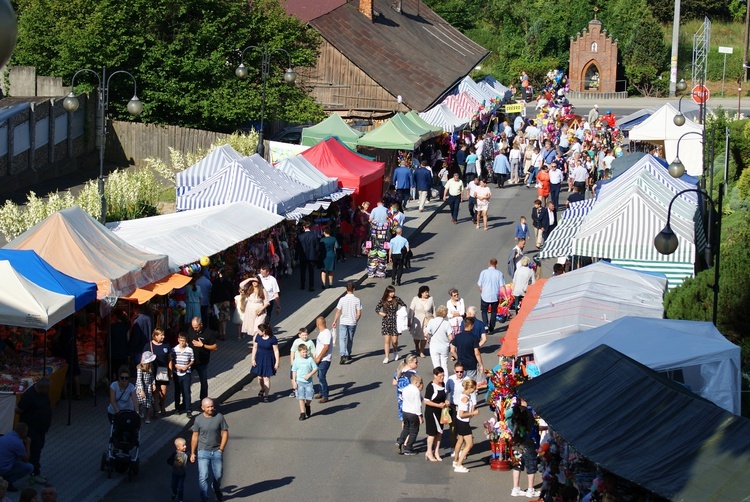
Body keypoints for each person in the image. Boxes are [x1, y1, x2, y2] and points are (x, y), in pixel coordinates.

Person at [190, 398, 228, 502]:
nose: (211, 408)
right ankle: (204, 498)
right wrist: (193, 453)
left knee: (218, 475)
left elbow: (225, 432)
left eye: (212, 406)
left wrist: (221, 449)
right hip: (203, 451)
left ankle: (216, 488)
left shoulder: (219, 417)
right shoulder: (198, 419)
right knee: (203, 476)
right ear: (202, 408)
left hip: (216, 451)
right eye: (208, 407)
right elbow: (195, 436)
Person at [15, 378, 51, 484]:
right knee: (34, 450)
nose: (49, 390)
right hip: (31, 428)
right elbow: (18, 409)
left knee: (38, 448)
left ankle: (35, 470)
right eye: (47, 388)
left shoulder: (43, 393)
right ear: (41, 387)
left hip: (41, 428)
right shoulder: (29, 396)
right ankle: (34, 473)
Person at [507, 397, 541, 498]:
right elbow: (533, 428)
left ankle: (515, 488)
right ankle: (530, 489)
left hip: (516, 442)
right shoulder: (528, 413)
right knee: (531, 464)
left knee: (517, 463)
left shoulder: (512, 413)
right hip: (527, 441)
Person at [188, 318, 218, 401]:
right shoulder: (190, 330)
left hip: (202, 362)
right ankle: (186, 401)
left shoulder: (208, 333)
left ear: (201, 325)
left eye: (196, 327)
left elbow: (215, 347)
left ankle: (203, 400)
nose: (195, 329)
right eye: (193, 327)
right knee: (187, 382)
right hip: (191, 361)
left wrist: (203, 345)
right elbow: (187, 341)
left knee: (203, 382)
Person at [452, 378, 479, 473]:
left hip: (459, 422)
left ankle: (455, 460)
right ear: (470, 388)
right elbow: (461, 414)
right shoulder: (465, 398)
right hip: (463, 423)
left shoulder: (463, 394)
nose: (475, 390)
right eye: (474, 388)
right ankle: (459, 464)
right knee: (469, 444)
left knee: (460, 440)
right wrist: (473, 413)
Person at [332, 282, 362, 365]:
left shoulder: (342, 299)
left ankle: (342, 355)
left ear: (346, 289)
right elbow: (359, 313)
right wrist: (356, 320)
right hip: (352, 322)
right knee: (350, 338)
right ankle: (348, 354)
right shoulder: (357, 300)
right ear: (354, 289)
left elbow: (338, 311)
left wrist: (335, 321)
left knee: (342, 338)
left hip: (343, 322)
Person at [376, 285, 407, 364]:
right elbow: (377, 309)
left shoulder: (396, 299)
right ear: (387, 292)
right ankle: (386, 357)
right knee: (387, 340)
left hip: (395, 321)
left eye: (393, 292)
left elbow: (404, 305)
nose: (393, 293)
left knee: (394, 341)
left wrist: (399, 312)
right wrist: (381, 313)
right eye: (391, 292)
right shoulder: (383, 300)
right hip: (386, 321)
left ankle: (395, 351)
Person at [423, 367, 448, 461]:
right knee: (432, 433)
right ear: (435, 376)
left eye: (443, 375)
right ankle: (429, 451)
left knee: (439, 433)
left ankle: (436, 452)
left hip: (440, 412)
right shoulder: (431, 387)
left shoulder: (443, 384)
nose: (442, 377)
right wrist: (438, 405)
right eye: (440, 375)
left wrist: (445, 401)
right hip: (431, 412)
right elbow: (426, 401)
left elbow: (442, 397)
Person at [250, 323, 279, 402]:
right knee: (260, 378)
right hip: (259, 358)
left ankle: (266, 395)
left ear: (264, 331)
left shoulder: (272, 339)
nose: (257, 331)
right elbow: (255, 348)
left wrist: (277, 362)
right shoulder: (258, 337)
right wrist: (253, 359)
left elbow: (276, 351)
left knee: (266, 378)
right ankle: (262, 388)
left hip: (268, 359)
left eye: (259, 330)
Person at [395, 375, 423, 456]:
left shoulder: (405, 389)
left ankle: (400, 441)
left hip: (405, 412)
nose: (420, 384)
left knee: (406, 428)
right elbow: (418, 404)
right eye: (419, 383)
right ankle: (408, 448)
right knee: (414, 431)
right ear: (416, 382)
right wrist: (420, 416)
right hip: (413, 413)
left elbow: (403, 399)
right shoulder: (416, 391)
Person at [145, 328, 171, 417]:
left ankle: (162, 404)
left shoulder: (166, 345)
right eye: (161, 335)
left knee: (163, 392)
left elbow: (169, 359)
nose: (163, 337)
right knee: (155, 392)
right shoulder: (149, 345)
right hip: (153, 371)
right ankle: (156, 410)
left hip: (163, 371)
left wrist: (170, 371)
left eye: (163, 335)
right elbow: (144, 359)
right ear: (155, 335)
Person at [0, 423, 33, 491]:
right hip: (2, 468)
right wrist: (28, 444)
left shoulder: (8, 435)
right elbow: (26, 459)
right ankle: (7, 481)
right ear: (23, 433)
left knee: (16, 459)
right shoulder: (17, 442)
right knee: (29, 467)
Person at [477, 259, 505, 334]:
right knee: (493, 311)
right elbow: (502, 286)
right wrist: (505, 296)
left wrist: (482, 291)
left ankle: (485, 325)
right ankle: (492, 327)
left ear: (489, 263)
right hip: (494, 296)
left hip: (485, 295)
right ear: (496, 264)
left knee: (484, 311)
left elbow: (479, 284)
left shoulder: (483, 272)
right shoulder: (499, 273)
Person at [291, 344, 318, 421]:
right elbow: (294, 371)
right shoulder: (297, 360)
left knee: (309, 397)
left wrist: (309, 374)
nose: (305, 354)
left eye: (306, 352)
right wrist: (294, 381)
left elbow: (315, 368)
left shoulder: (309, 359)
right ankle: (302, 413)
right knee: (301, 397)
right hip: (300, 381)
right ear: (299, 352)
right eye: (303, 352)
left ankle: (307, 405)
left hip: (308, 382)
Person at [171, 333, 195, 416]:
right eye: (180, 341)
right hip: (177, 373)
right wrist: (175, 365)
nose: (182, 342)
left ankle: (188, 409)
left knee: (186, 391)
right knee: (177, 391)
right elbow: (172, 360)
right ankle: (177, 408)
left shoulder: (189, 350)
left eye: (183, 341)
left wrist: (187, 366)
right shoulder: (174, 349)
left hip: (186, 373)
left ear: (186, 341)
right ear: (178, 340)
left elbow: (192, 360)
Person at [408, 285, 434, 358]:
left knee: (425, 337)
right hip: (418, 320)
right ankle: (416, 346)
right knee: (416, 337)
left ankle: (421, 351)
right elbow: (411, 310)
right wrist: (409, 320)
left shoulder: (431, 299)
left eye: (427, 292)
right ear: (421, 293)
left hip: (427, 320)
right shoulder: (415, 299)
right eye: (425, 292)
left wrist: (434, 319)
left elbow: (433, 309)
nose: (427, 294)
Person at [424, 305, 452, 372]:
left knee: (436, 366)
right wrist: (447, 342)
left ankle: (438, 381)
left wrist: (428, 339)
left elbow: (426, 334)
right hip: (444, 346)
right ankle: (445, 380)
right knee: (444, 366)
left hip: (434, 346)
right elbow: (451, 337)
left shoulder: (431, 322)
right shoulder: (446, 323)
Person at [445, 361, 467, 447]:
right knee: (453, 428)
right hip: (453, 406)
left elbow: (472, 394)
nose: (459, 373)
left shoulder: (467, 379)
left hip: (463, 407)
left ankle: (462, 448)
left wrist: (473, 407)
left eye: (461, 371)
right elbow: (446, 391)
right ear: (454, 371)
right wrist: (445, 401)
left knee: (463, 428)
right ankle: (453, 446)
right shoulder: (450, 379)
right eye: (457, 371)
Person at [289, 328, 315, 397]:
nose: (305, 337)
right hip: (297, 362)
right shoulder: (296, 341)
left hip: (306, 362)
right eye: (303, 335)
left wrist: (315, 360)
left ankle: (306, 388)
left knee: (303, 375)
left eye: (306, 335)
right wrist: (292, 360)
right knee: (293, 376)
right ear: (299, 335)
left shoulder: (310, 342)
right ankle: (294, 388)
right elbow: (292, 351)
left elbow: (313, 351)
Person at [312, 316, 332, 404]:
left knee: (321, 376)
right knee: (319, 376)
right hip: (320, 359)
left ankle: (325, 395)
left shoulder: (326, 333)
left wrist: (319, 357)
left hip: (324, 359)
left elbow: (326, 347)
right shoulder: (322, 333)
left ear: (318, 324)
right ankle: (321, 392)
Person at [210, 269, 234, 341]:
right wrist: (232, 300)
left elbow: (213, 293)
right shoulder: (228, 282)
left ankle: (220, 333)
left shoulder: (215, 282)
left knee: (218, 317)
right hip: (226, 301)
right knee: (224, 318)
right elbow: (232, 291)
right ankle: (223, 332)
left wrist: (211, 303)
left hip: (217, 301)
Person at [129, 305, 152, 377]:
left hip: (138, 347)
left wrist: (132, 347)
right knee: (146, 366)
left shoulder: (137, 320)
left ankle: (140, 381)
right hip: (146, 346)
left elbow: (136, 336)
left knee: (139, 367)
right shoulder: (148, 318)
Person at [296, 219, 319, 291]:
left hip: (303, 256)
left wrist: (296, 257)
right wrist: (316, 254)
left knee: (302, 271)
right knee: (311, 271)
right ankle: (311, 286)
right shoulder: (314, 236)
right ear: (311, 227)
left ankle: (302, 285)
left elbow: (298, 248)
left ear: (304, 227)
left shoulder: (300, 236)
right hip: (312, 256)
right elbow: (317, 247)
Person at [135, 351, 156, 424]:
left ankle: (147, 417)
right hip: (141, 387)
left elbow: (152, 376)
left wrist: (153, 383)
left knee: (148, 403)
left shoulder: (150, 368)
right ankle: (139, 413)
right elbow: (139, 379)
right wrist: (141, 390)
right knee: (139, 402)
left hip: (148, 387)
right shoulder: (140, 368)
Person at [167, 437, 189, 502]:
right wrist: (174, 464)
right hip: (175, 473)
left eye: (185, 445)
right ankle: (174, 493)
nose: (185, 446)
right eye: (183, 445)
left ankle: (180, 499)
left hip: (182, 474)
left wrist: (192, 459)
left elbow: (190, 459)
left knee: (180, 487)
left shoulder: (187, 454)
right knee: (173, 486)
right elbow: (168, 461)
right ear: (178, 447)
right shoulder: (175, 454)